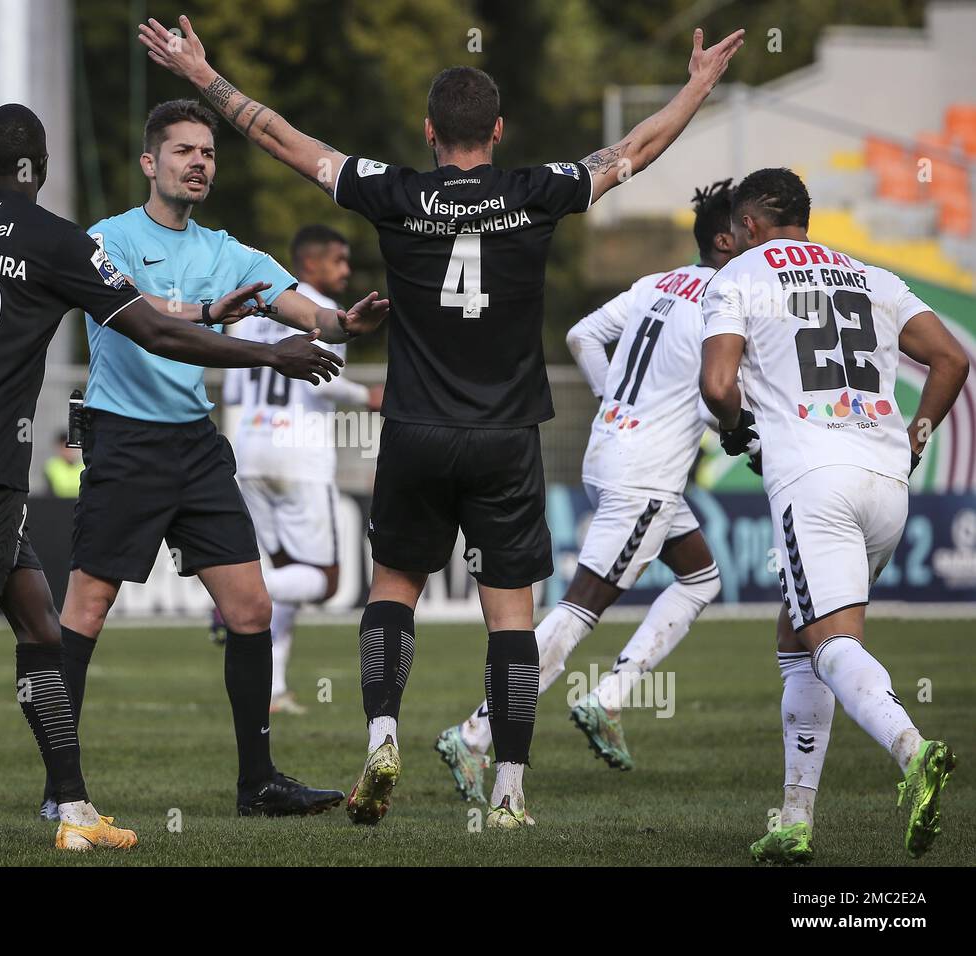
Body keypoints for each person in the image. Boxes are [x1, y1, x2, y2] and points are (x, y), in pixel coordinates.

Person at [140, 15, 744, 828]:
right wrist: (698, 85)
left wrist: (204, 76)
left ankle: (382, 735)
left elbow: (283, 138)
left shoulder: (395, 192)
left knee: (394, 590)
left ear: (429, 132)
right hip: (505, 437)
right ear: (497, 131)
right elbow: (632, 151)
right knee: (512, 618)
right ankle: (508, 794)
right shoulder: (537, 191)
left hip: (416, 429)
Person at [0, 103, 340, 856]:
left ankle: (73, 810)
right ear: (40, 169)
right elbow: (154, 329)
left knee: (42, 625)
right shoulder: (57, 241)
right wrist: (270, 353)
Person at [49, 99, 388, 821]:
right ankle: (61, 790)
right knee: (86, 608)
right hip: (126, 439)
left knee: (251, 607)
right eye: (183, 151)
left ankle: (258, 784)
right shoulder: (105, 240)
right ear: (150, 162)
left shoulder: (225, 251)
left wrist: (340, 322)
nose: (199, 162)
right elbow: (154, 330)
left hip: (196, 444)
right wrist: (261, 344)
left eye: (207, 152)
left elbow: (298, 306)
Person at [436, 181, 738, 803]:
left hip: (611, 451)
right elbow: (717, 392)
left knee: (702, 578)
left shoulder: (659, 283)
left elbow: (579, 336)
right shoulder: (730, 300)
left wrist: (617, 400)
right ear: (727, 240)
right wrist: (740, 433)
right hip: (647, 473)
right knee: (578, 610)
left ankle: (610, 696)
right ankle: (475, 732)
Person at [700, 167, 968, 862]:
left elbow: (718, 384)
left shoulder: (739, 276)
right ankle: (794, 817)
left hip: (814, 480)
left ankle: (913, 751)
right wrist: (917, 436)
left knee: (830, 643)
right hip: (886, 480)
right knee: (799, 641)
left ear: (749, 226)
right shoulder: (869, 275)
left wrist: (735, 431)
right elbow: (950, 358)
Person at [223, 224, 383, 714]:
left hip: (248, 448)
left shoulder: (250, 309)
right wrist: (367, 397)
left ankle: (272, 689)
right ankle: (228, 597)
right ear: (309, 264)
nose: (346, 270)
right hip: (299, 453)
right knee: (326, 579)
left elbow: (231, 382)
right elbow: (323, 380)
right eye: (339, 260)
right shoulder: (322, 313)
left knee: (286, 571)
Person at [44, 431, 83, 498]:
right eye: (65, 448)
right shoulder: (52, 467)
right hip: (58, 505)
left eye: (71, 448)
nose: (69, 451)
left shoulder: (83, 467)